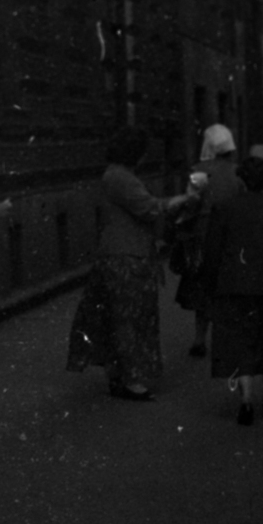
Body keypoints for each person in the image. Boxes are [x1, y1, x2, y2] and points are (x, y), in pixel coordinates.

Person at [67, 126, 197, 401]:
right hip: (127, 257)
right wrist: (183, 199)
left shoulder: (115, 175)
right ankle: (130, 379)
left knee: (117, 318)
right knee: (130, 319)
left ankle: (119, 376)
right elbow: (149, 207)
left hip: (117, 255)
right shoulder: (121, 178)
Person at [203, 155, 263, 424]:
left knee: (240, 342)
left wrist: (210, 284)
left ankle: (246, 400)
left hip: (233, 285)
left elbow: (213, 251)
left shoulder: (224, 208)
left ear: (241, 179)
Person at [175, 124, 239, 359]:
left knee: (202, 287)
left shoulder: (199, 172)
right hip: (230, 236)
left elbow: (191, 203)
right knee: (226, 288)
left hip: (203, 235)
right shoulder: (236, 172)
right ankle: (226, 338)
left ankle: (200, 338)